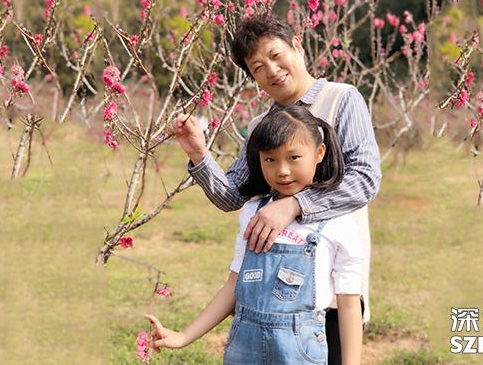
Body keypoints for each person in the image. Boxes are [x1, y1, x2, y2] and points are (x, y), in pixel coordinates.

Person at [173, 14, 381, 363]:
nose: (272, 70)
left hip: (329, 293)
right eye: (258, 67)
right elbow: (232, 194)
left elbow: (365, 178)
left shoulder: (342, 99)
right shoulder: (262, 126)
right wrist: (199, 155)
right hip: (267, 300)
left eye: (275, 55)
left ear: (296, 45)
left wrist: (294, 204)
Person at [146, 106, 364, 364]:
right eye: (270, 159)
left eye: (294, 157)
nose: (282, 170)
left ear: (319, 153)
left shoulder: (337, 221)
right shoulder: (254, 212)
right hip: (243, 350)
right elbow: (233, 286)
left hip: (299, 353)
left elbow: (349, 305)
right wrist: (183, 337)